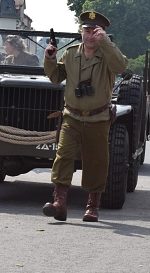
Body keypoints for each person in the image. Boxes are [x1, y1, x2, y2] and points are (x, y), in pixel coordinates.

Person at [41, 11, 128, 222]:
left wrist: (105, 43)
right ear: (81, 32)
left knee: (96, 162)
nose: (90, 36)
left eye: (95, 32)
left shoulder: (108, 54)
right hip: (72, 116)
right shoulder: (71, 53)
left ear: (102, 33)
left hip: (98, 118)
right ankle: (59, 203)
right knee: (63, 156)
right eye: (87, 31)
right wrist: (49, 58)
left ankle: (92, 205)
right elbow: (55, 78)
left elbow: (121, 66)